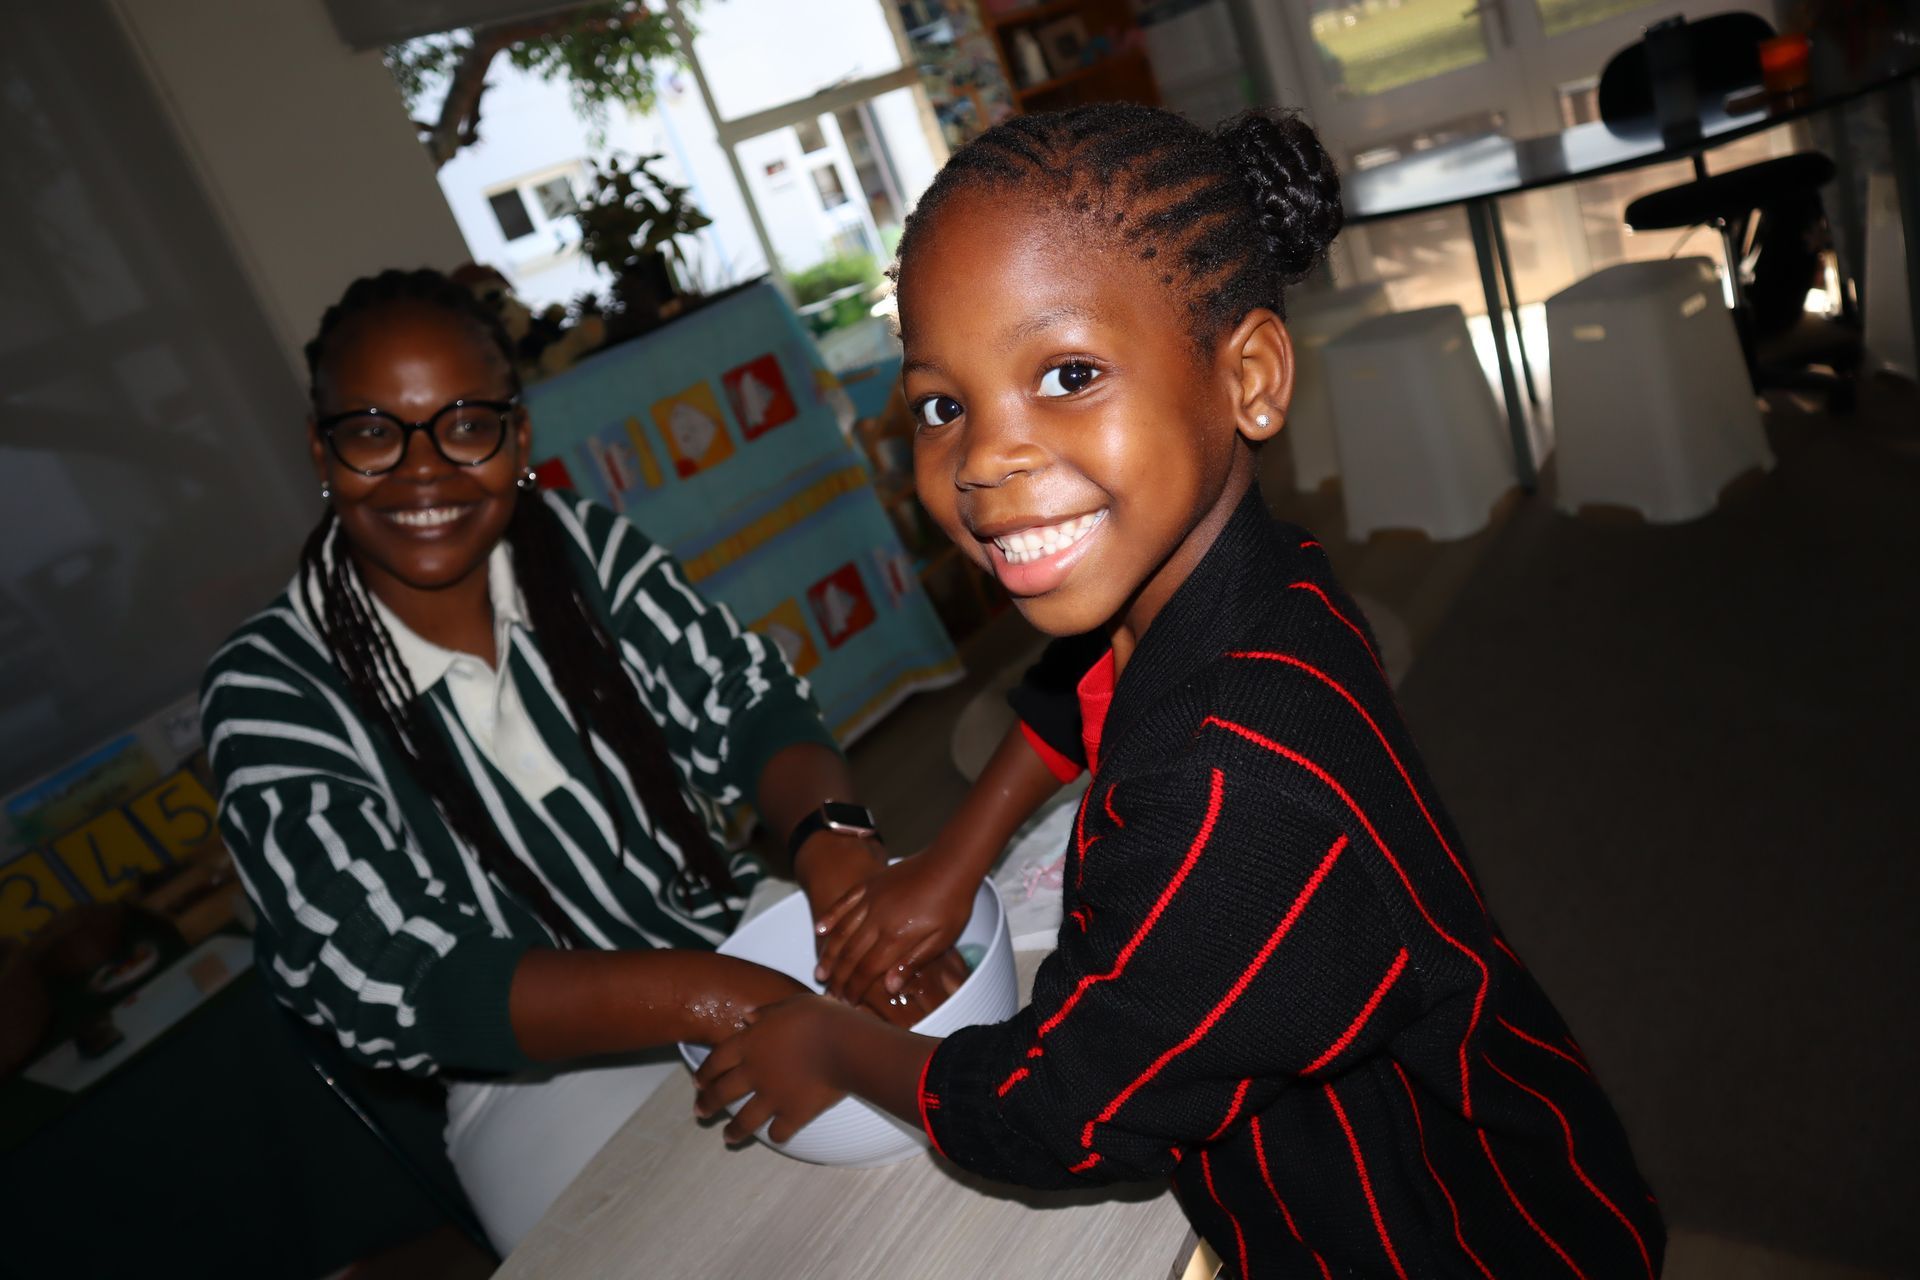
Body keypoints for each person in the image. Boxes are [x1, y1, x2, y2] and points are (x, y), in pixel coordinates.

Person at [692, 105, 1665, 1278]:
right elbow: (1080, 683)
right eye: (943, 405)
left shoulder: (1235, 792)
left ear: (1247, 375)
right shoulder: (1247, 584)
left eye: (1066, 373)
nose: (985, 461)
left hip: (1444, 1234)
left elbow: (1061, 1109)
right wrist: (952, 866)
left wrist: (839, 1050)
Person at [201, 268, 956, 1254]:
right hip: (529, 1081)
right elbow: (406, 978)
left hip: (733, 925)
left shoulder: (579, 549)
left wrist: (834, 852)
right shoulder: (270, 690)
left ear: (519, 438)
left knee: (958, 1132)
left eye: (465, 424)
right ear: (324, 449)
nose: (421, 472)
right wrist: (722, 993)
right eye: (375, 430)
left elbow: (748, 701)